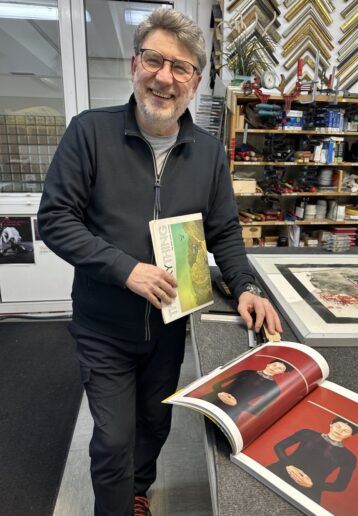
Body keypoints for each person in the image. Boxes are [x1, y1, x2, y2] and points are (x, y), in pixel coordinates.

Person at [37, 7, 282, 516]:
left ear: (194, 82)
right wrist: (125, 269)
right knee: (113, 438)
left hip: (170, 326)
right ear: (135, 65)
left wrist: (246, 285)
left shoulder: (209, 153)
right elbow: (56, 220)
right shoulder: (89, 133)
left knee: (154, 422)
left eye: (181, 68)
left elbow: (224, 232)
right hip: (104, 325)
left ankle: (137, 493)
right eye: (154, 60)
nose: (165, 78)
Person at [266, 417, 358, 504]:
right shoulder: (307, 433)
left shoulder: (349, 457)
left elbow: (340, 485)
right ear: (331, 424)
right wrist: (289, 465)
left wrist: (312, 484)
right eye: (338, 426)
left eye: (345, 431)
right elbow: (279, 446)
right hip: (280, 471)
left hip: (308, 489)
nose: (340, 431)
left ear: (350, 435)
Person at [201, 360, 292, 421]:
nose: (275, 368)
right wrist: (220, 392)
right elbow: (217, 384)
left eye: (279, 368)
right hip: (213, 398)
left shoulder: (274, 387)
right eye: (274, 365)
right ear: (268, 364)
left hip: (231, 410)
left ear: (281, 372)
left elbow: (259, 411)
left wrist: (236, 404)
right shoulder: (247, 372)